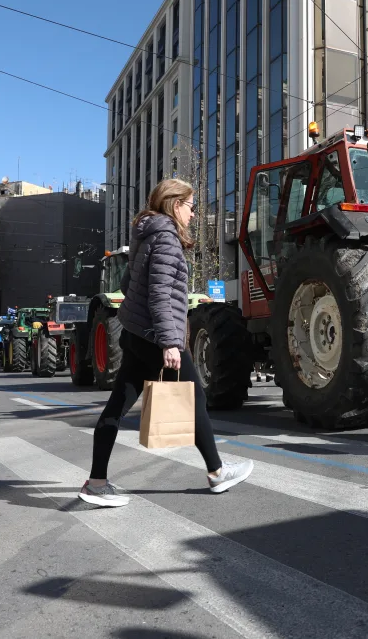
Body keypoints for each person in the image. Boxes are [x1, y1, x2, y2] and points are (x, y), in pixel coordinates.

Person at [80, 179, 253, 507]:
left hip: (136, 334)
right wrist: (170, 343)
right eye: (191, 206)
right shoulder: (166, 239)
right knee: (196, 397)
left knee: (117, 405)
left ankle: (97, 481)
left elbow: (129, 282)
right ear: (175, 205)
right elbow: (160, 294)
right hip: (154, 337)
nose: (193, 213)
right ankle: (216, 472)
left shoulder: (147, 235)